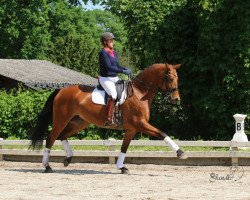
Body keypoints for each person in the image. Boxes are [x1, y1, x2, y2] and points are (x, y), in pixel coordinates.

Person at [99, 32, 132, 126]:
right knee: (113, 94)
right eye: (111, 40)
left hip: (114, 77)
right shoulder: (103, 53)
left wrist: (124, 68)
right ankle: (109, 119)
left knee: (123, 93)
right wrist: (122, 71)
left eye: (112, 40)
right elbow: (109, 67)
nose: (113, 42)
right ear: (105, 42)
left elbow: (116, 65)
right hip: (105, 78)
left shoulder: (114, 52)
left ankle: (119, 115)